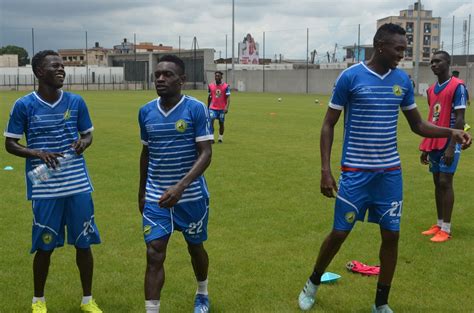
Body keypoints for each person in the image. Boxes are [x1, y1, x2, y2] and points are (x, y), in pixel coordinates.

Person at [297, 24, 471, 313]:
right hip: (355, 172)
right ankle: (312, 282)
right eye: (398, 49)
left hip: (389, 174)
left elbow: (417, 125)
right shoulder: (350, 77)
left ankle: (381, 303)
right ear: (380, 46)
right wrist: (325, 170)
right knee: (340, 232)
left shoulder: (402, 81)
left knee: (391, 236)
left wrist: (450, 132)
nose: (402, 55)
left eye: (404, 49)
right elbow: (328, 123)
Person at [3, 50, 102, 313]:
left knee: (84, 242)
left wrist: (84, 142)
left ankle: (87, 300)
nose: (61, 70)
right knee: (44, 245)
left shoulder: (76, 102)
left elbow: (88, 135)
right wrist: (36, 153)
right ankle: (39, 302)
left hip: (77, 184)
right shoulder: (24, 105)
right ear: (38, 72)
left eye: (62, 66)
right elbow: (10, 144)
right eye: (54, 66)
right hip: (45, 187)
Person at [138, 55, 214, 313]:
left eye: (167, 74)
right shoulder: (145, 111)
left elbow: (205, 153)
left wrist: (181, 186)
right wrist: (141, 193)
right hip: (156, 197)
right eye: (157, 74)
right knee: (154, 252)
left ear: (182, 80)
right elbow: (146, 153)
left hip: (191, 197)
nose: (160, 79)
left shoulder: (195, 109)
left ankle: (202, 292)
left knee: (195, 247)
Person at [419, 51, 468, 242]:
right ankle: (438, 224)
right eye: (431, 62)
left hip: (450, 141)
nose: (434, 64)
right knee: (436, 182)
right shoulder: (431, 90)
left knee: (445, 182)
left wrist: (451, 147)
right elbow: (432, 119)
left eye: (438, 61)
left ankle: (446, 229)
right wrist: (426, 145)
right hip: (434, 141)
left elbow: (460, 119)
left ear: (448, 63)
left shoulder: (458, 86)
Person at [208, 71, 231, 143]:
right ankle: (211, 138)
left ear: (221, 77)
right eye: (216, 76)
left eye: (218, 76)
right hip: (212, 108)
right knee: (211, 121)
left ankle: (220, 138)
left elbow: (228, 98)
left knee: (221, 123)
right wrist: (207, 107)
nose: (217, 77)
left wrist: (226, 107)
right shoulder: (210, 86)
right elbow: (210, 96)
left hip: (221, 109)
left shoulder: (226, 86)